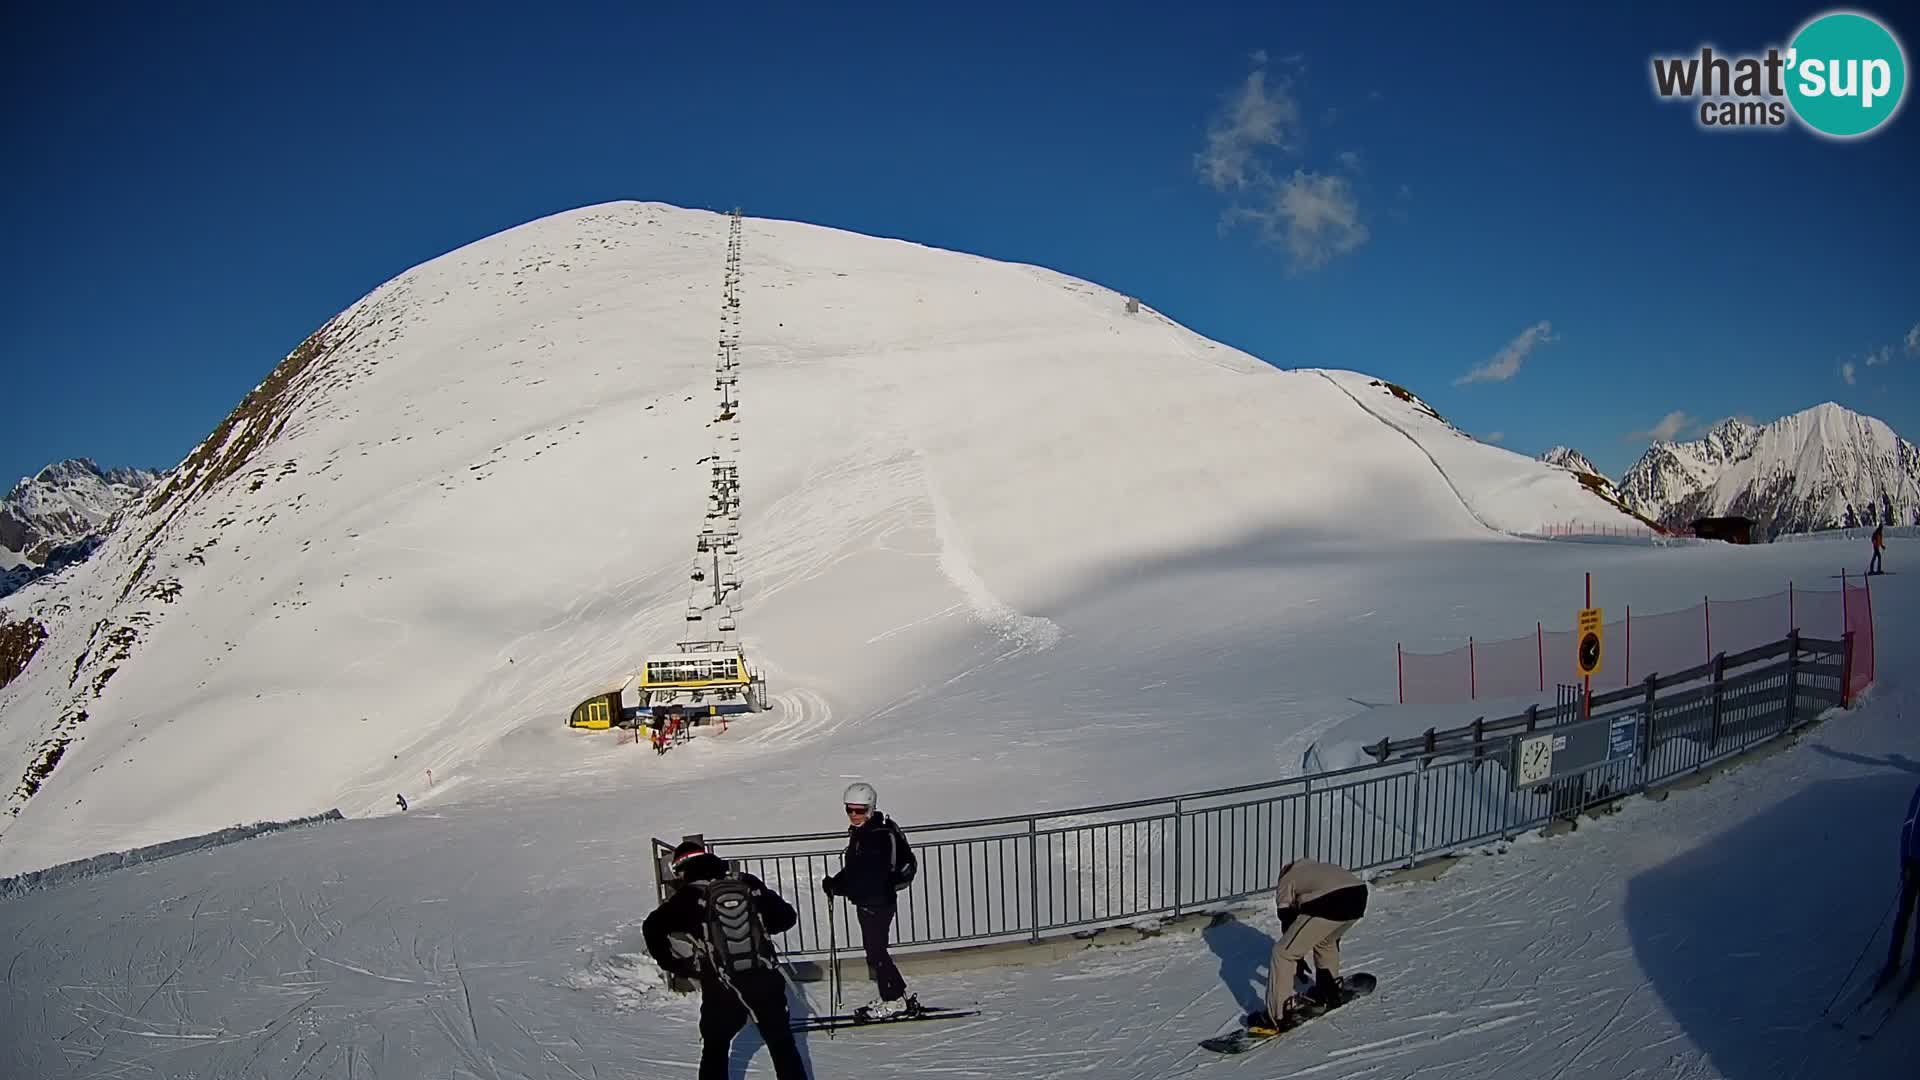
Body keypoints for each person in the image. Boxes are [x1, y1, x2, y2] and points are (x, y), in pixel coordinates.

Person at [643, 838, 811, 1080]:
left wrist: (676, 965)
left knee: (715, 1048)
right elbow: (786, 918)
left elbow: (652, 927)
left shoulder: (687, 897)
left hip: (719, 982)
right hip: (762, 974)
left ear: (680, 870)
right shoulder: (746, 882)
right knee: (781, 1043)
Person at [821, 781, 919, 1019]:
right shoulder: (865, 832)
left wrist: (838, 886)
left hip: (877, 902)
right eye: (849, 810)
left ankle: (895, 1000)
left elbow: (868, 877)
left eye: (859, 810)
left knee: (876, 953)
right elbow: (856, 869)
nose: (854, 815)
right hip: (870, 901)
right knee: (875, 951)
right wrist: (836, 882)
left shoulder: (876, 837)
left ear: (871, 808)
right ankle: (894, 996)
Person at [1247, 858, 1369, 1033]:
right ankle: (1328, 989)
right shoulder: (1317, 868)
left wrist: (1296, 956)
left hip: (1330, 902)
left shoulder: (1287, 880)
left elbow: (1286, 915)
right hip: (1359, 895)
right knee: (1326, 940)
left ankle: (1277, 1016)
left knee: (1282, 953)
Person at [1877, 782, 1920, 989]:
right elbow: (1908, 825)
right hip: (1913, 865)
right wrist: (1905, 860)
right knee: (1903, 915)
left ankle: (1916, 969)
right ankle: (1893, 962)